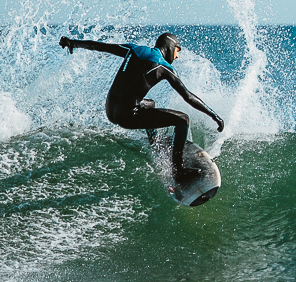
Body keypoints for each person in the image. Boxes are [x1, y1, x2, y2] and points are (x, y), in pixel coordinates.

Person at [59, 32, 224, 175]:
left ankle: (154, 142)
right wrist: (213, 115)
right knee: (183, 120)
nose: (178, 56)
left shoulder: (135, 49)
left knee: (150, 104)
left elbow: (101, 46)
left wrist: (73, 43)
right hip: (127, 117)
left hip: (110, 110)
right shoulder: (163, 67)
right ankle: (178, 169)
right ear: (171, 47)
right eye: (178, 51)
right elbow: (187, 96)